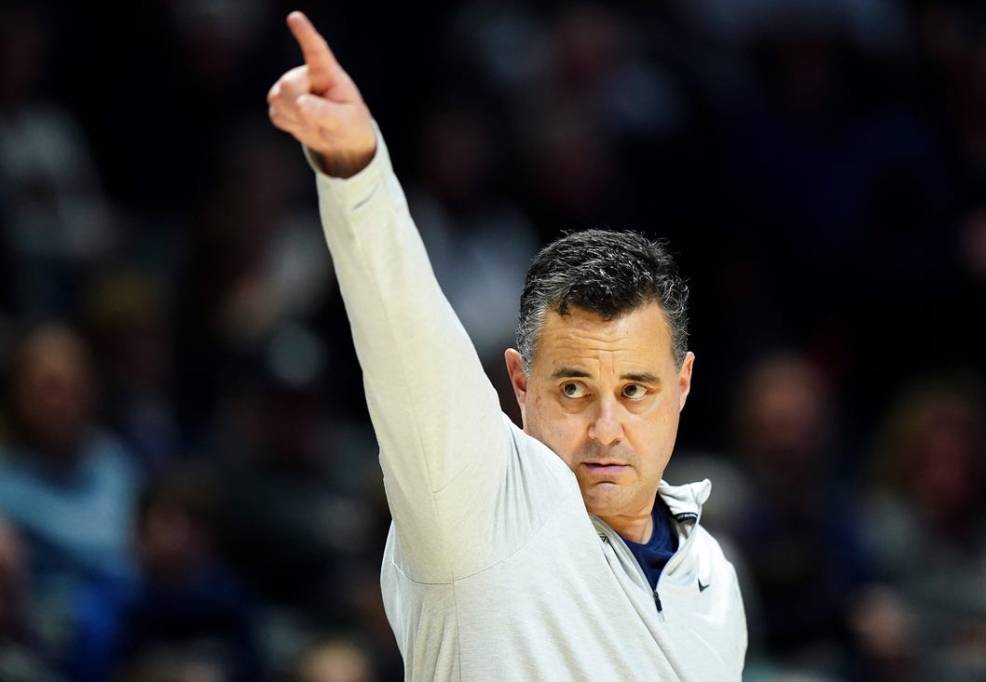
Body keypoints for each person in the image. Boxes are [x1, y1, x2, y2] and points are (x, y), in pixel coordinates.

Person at [267, 11, 746, 680]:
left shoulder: (712, 575)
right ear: (520, 385)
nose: (606, 430)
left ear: (683, 386)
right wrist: (356, 172)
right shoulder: (479, 507)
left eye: (635, 390)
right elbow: (406, 340)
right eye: (573, 389)